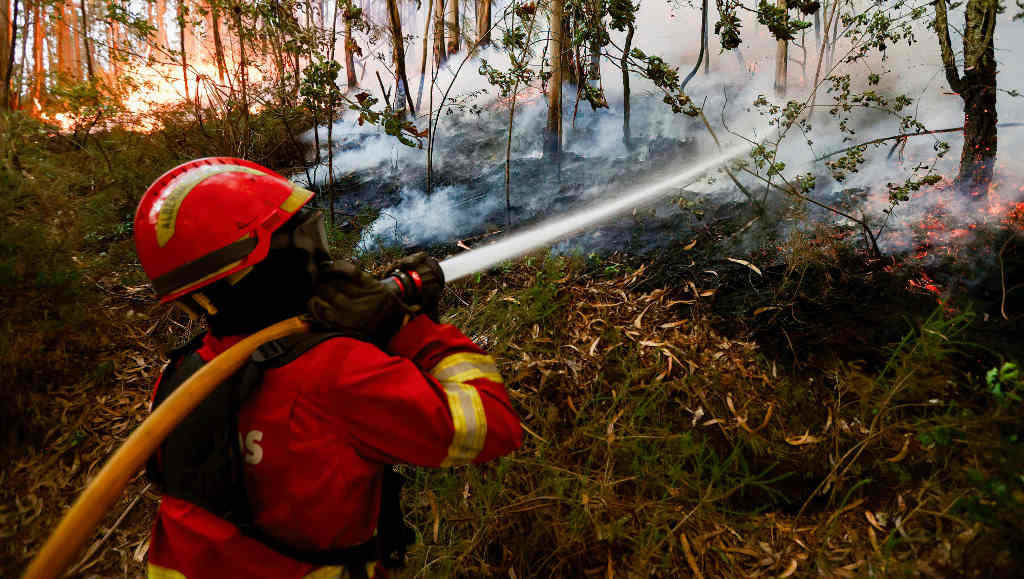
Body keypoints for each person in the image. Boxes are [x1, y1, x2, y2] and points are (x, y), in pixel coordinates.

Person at [133, 157, 522, 579]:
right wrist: (402, 328)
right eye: (306, 239)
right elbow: (493, 425)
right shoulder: (338, 375)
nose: (320, 256)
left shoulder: (178, 380)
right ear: (260, 266)